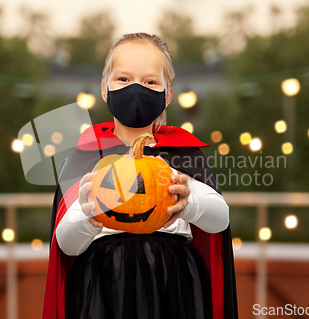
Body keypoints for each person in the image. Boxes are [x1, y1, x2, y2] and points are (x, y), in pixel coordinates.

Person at [42, 32, 238, 319]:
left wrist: (189, 204)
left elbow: (220, 218)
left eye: (150, 82)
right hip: (102, 287)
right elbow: (66, 243)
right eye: (123, 79)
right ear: (104, 89)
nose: (136, 89)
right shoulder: (84, 159)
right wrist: (89, 216)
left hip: (174, 284)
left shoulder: (184, 156)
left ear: (168, 93)